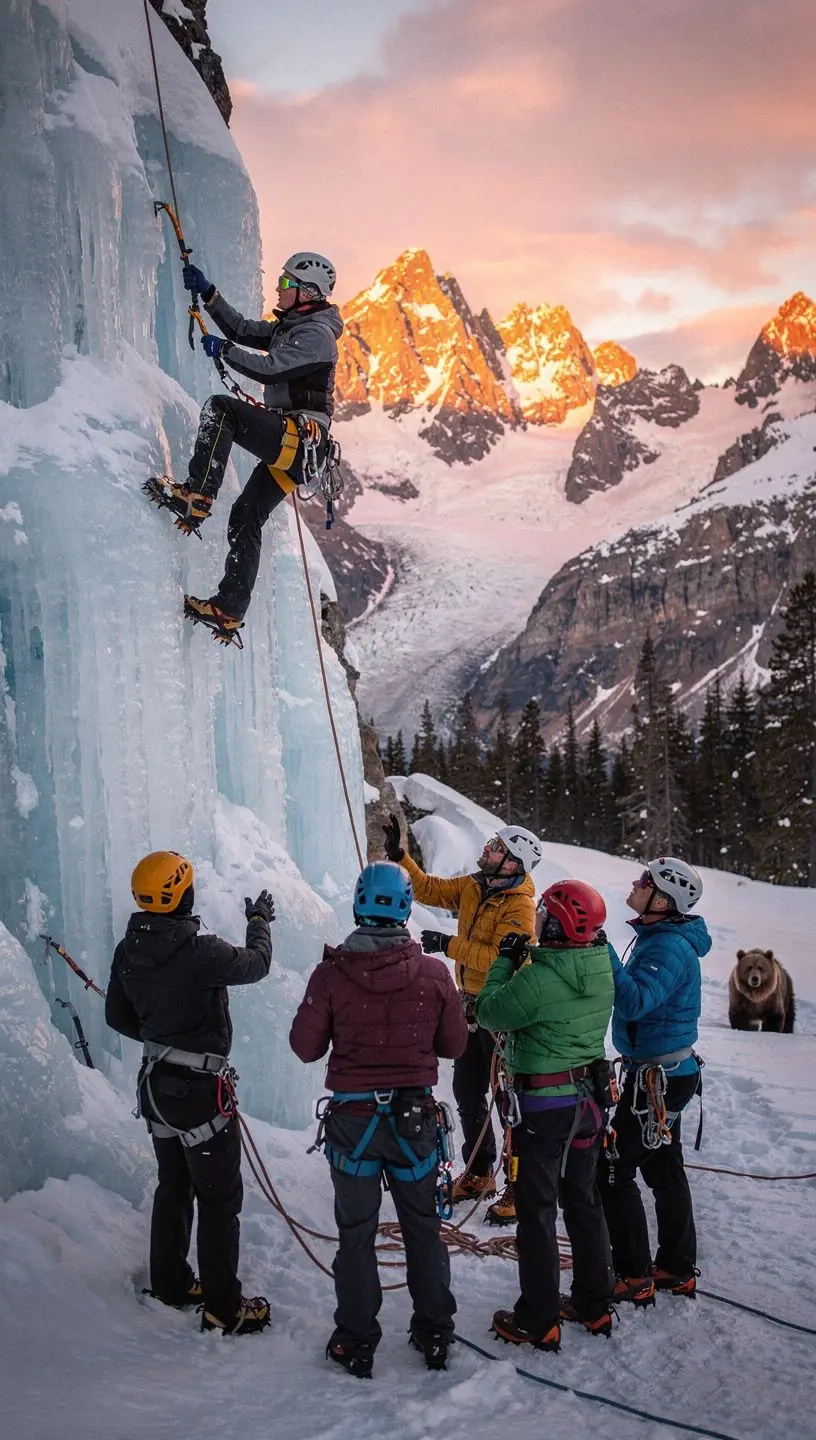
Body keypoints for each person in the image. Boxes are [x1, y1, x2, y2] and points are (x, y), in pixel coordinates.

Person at [289, 861, 468, 1379]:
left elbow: (305, 1048)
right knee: (422, 1229)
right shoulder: (434, 974)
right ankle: (435, 1330)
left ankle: (356, 1339)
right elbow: (454, 1045)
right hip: (414, 1124)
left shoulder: (331, 974)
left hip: (353, 1123)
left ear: (358, 905)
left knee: (357, 1233)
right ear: (406, 909)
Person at [105, 850, 274, 1335]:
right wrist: (259, 920)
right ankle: (224, 1307)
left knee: (174, 1185)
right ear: (183, 894)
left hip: (157, 1086)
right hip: (201, 1091)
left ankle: (172, 1284)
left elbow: (118, 1018)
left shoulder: (127, 948)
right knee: (219, 1199)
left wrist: (163, 1036)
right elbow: (257, 964)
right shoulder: (201, 950)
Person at [148, 252, 342, 642]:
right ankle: (228, 609)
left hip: (299, 439)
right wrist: (209, 295)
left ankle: (197, 495)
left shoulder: (316, 335)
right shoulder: (293, 327)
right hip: (297, 449)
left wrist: (224, 351)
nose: (279, 288)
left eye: (286, 284)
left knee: (223, 411)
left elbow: (269, 368)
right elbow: (241, 329)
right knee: (246, 515)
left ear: (308, 292)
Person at [475, 881, 615, 1351]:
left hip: (544, 1108)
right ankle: (594, 1304)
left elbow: (492, 1012)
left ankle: (538, 1318)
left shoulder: (538, 978)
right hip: (587, 1104)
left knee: (536, 1212)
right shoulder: (599, 968)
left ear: (555, 923)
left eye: (542, 914)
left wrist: (505, 961)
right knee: (583, 1199)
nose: (535, 919)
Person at [383, 815, 539, 1224]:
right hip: (469, 1005)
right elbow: (431, 889)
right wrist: (401, 858)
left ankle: (519, 1186)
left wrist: (448, 944)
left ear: (512, 863)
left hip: (502, 1009)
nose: (486, 851)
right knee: (468, 1092)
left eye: (495, 848)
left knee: (508, 1102)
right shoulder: (475, 886)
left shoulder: (520, 907)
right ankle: (480, 1168)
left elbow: (503, 958)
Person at [596, 856, 709, 1306]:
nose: (636, 883)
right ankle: (676, 1267)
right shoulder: (663, 938)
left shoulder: (666, 948)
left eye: (646, 881)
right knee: (662, 1167)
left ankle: (633, 1274)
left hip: (656, 1081)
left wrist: (601, 949)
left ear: (663, 900)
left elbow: (637, 1001)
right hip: (664, 1075)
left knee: (613, 1171)